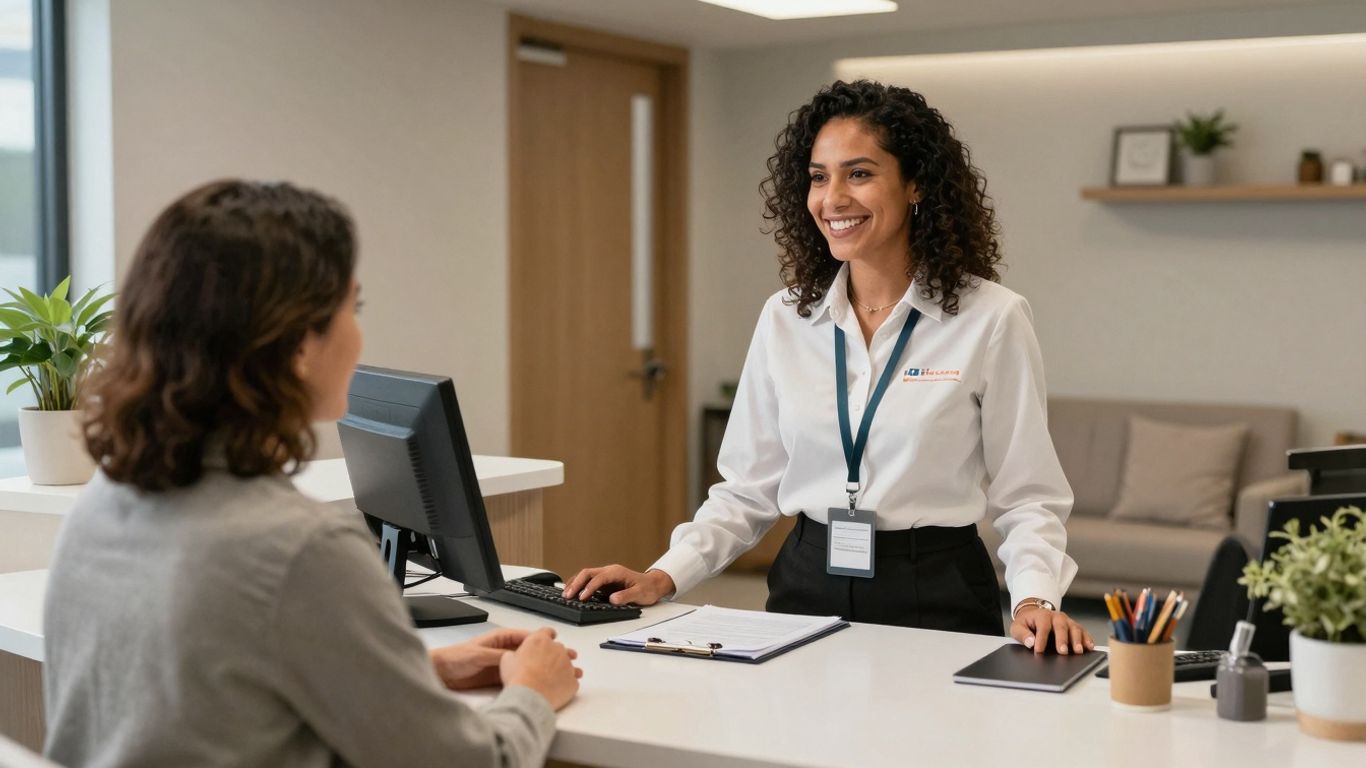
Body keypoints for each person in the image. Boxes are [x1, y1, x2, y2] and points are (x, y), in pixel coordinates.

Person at [43, 180, 581, 767]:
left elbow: (206, 696)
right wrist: (533, 693)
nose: (359, 334)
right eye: (353, 307)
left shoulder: (104, 503)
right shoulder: (302, 551)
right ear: (300, 345)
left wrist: (414, 672)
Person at [566, 80, 1095, 655]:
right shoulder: (785, 317)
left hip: (936, 584)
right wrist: (664, 575)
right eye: (819, 177)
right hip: (806, 578)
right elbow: (748, 487)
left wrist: (1035, 599)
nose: (833, 198)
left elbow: (1029, 495)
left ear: (916, 183)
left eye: (859, 173)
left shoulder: (990, 317)